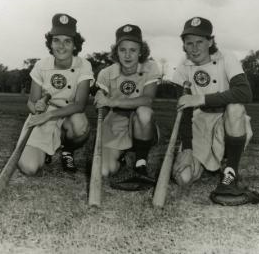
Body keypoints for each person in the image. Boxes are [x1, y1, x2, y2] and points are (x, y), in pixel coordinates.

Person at [170, 17, 259, 205]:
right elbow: (185, 112)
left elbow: (244, 93)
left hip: (225, 119)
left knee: (236, 108)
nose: (194, 48)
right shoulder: (182, 67)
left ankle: (230, 173)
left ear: (210, 41)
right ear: (184, 45)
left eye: (200, 42)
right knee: (183, 178)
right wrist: (187, 148)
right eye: (189, 44)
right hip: (200, 121)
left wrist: (201, 98)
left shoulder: (226, 57)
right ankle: (211, 164)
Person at [18, 13, 94, 175]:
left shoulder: (83, 65)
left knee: (80, 126)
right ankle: (45, 150)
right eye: (56, 40)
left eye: (67, 41)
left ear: (75, 45)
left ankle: (67, 150)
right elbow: (31, 102)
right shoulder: (41, 65)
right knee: (29, 168)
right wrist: (36, 106)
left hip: (68, 115)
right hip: (43, 118)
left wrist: (49, 115)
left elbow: (80, 105)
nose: (61, 46)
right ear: (50, 43)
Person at [94, 24, 161, 178]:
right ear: (116, 52)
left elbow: (148, 99)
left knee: (144, 112)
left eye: (133, 50)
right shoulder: (106, 73)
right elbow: (102, 105)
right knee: (104, 171)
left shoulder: (150, 67)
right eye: (123, 50)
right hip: (115, 123)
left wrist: (112, 102)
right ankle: (121, 156)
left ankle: (140, 162)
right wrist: (99, 103)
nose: (128, 55)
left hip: (140, 122)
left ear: (141, 52)